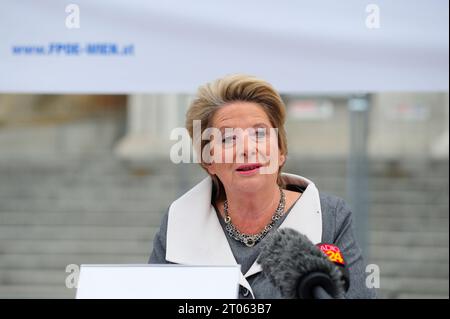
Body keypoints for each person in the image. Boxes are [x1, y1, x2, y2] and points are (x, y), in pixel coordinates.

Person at [149, 74, 376, 299]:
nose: (247, 149)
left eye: (259, 133)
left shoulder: (331, 218)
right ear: (208, 161)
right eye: (228, 139)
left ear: (280, 152)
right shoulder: (181, 219)